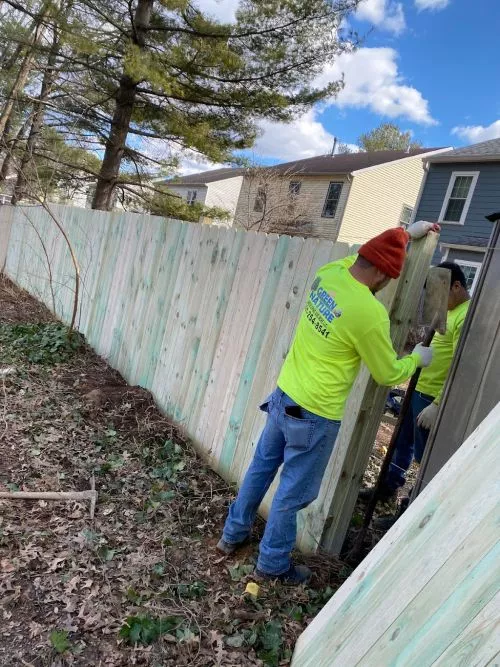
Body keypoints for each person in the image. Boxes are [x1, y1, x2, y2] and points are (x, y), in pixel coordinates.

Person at [216, 221, 437, 585]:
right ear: (382, 272)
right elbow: (386, 372)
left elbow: (360, 256)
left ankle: (232, 534)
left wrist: (402, 234)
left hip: (284, 395)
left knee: (260, 469)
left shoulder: (330, 272)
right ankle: (272, 564)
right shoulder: (368, 313)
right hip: (314, 416)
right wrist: (417, 359)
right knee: (292, 494)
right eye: (389, 278)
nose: (386, 286)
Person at [370, 261, 470, 502]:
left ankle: (415, 505)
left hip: (431, 398)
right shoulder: (448, 311)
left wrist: (438, 404)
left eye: (440, 293)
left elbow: (460, 364)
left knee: (425, 459)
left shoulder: (465, 314)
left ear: (456, 286)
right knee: (401, 444)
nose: (436, 299)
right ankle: (387, 488)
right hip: (418, 389)